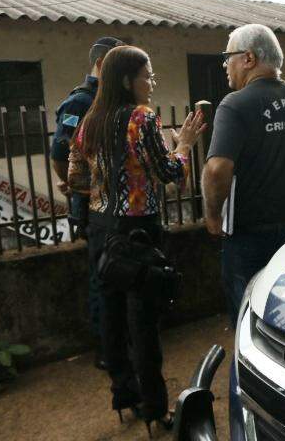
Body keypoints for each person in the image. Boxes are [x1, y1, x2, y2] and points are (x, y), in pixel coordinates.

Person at [68, 45, 205, 435]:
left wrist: (105, 184)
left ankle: (123, 397)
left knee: (111, 318)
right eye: (148, 75)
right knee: (142, 323)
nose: (152, 81)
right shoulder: (141, 118)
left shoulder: (89, 121)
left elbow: (76, 180)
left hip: (100, 228)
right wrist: (184, 147)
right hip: (137, 231)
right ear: (129, 80)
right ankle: (155, 408)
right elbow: (167, 173)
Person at [201, 24, 285, 327]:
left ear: (248, 58)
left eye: (228, 56)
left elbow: (217, 168)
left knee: (249, 318)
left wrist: (212, 215)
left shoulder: (234, 104)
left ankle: (251, 372)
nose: (225, 65)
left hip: (249, 236)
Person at [50, 36, 123, 370]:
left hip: (116, 207)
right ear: (100, 64)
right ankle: (107, 350)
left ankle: (119, 342)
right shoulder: (81, 102)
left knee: (115, 275)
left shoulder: (109, 100)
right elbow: (59, 153)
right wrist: (77, 185)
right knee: (101, 278)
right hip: (93, 209)